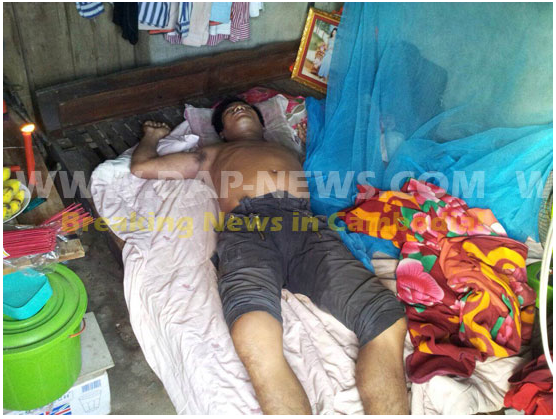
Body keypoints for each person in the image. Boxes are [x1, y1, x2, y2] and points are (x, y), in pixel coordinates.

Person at [130, 97, 408, 415]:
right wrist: (151, 137)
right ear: (221, 132)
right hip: (249, 229)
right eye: (229, 111)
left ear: (263, 124)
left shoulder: (289, 150)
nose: (239, 108)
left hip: (306, 228)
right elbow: (142, 167)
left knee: (386, 319)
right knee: (253, 333)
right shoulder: (212, 154)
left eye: (246, 107)